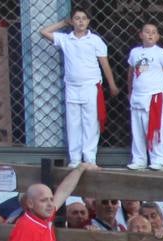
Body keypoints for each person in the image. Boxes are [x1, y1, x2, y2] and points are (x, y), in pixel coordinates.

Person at [40, 8, 119, 167]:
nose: (81, 21)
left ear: (89, 21)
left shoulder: (95, 40)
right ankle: (75, 159)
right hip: (72, 87)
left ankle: (89, 158)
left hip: (90, 86)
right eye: (77, 18)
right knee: (73, 123)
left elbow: (104, 63)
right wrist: (63, 23)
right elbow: (44, 32)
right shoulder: (65, 39)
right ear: (72, 21)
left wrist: (112, 84)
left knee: (90, 122)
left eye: (84, 18)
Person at [124, 21, 163, 170]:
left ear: (158, 36)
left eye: (153, 32)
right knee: (138, 128)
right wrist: (130, 91)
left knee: (155, 127)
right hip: (137, 96)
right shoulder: (135, 52)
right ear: (141, 35)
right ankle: (139, 159)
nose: (150, 34)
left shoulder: (160, 53)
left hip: (154, 96)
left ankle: (159, 159)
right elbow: (132, 73)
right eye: (147, 31)